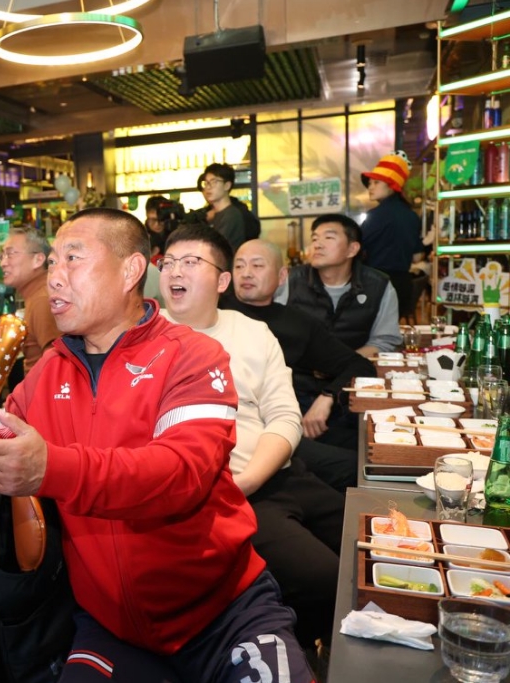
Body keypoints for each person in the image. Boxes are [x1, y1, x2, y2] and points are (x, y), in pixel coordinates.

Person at [0, 208, 312, 682]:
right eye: (53, 263)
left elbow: (181, 473)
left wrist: (51, 469)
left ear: (131, 271)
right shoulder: (49, 370)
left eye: (73, 259)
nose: (56, 277)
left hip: (223, 614)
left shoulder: (191, 354)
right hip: (110, 625)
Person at [159, 223, 345, 653]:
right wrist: (239, 486)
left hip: (276, 472)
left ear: (221, 281)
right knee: (325, 577)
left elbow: (284, 414)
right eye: (168, 262)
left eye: (191, 262)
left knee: (367, 544)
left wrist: (254, 477)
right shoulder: (145, 337)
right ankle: (290, 652)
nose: (175, 272)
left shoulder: (252, 331)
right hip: (224, 493)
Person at [226, 239, 375, 453]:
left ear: (282, 276)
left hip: (293, 421)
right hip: (239, 426)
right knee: (351, 464)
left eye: (257, 265)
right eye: (239, 266)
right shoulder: (215, 311)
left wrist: (328, 396)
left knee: (366, 446)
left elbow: (359, 366)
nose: (246, 273)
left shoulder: (298, 323)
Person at [279, 213, 401, 356]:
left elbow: (384, 341)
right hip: (295, 368)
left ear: (352, 249)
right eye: (314, 239)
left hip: (356, 367)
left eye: (329, 238)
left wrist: (343, 363)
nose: (317, 245)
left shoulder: (378, 285)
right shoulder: (289, 280)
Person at [360, 151, 425, 317]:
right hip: (403, 286)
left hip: (376, 286)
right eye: (369, 183)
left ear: (392, 186)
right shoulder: (412, 215)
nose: (370, 187)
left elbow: (355, 247)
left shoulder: (375, 215)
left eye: (376, 182)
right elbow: (417, 257)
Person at [0, 228, 59, 373]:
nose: (3, 263)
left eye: (10, 254)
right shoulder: (35, 295)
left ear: (38, 260)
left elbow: (56, 365)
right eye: (2, 255)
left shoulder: (42, 301)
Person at [193, 163, 249, 252]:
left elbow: (213, 248)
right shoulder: (212, 215)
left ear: (227, 186)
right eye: (206, 182)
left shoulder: (231, 215)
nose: (208, 187)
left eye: (214, 182)